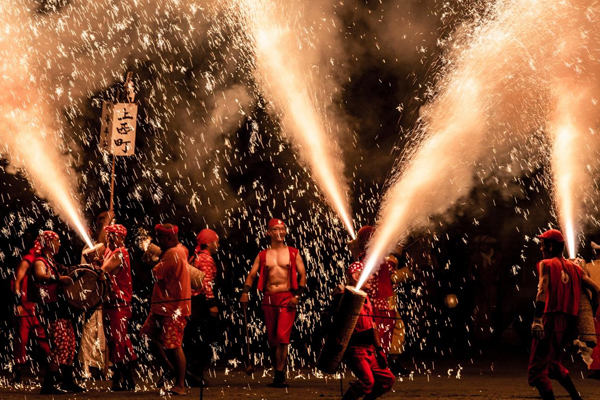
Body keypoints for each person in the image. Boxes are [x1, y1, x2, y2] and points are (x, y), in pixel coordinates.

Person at [528, 229, 600, 400]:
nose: (541, 248)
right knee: (553, 365)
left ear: (551, 246)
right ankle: (577, 398)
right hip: (568, 322)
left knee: (537, 372)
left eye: (543, 245)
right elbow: (596, 290)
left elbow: (542, 291)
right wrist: (590, 311)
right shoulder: (576, 269)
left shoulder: (546, 264)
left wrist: (537, 319)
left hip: (549, 319)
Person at [239, 217, 307, 388]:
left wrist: (297, 296)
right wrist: (245, 293)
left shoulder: (293, 252)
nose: (280, 232)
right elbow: (252, 275)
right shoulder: (263, 255)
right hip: (269, 298)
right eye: (276, 229)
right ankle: (277, 371)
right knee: (273, 339)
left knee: (283, 338)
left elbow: (303, 275)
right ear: (268, 233)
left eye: (282, 229)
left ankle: (279, 375)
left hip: (287, 297)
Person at [31, 231, 85, 394]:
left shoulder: (52, 261)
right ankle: (48, 385)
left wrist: (87, 268)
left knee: (69, 344)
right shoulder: (40, 261)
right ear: (48, 243)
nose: (60, 244)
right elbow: (40, 275)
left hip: (61, 307)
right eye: (57, 241)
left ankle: (67, 381)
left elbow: (68, 270)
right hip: (51, 309)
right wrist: (57, 279)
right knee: (58, 346)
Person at [140, 223, 191, 396]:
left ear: (169, 238)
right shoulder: (180, 249)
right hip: (162, 307)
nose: (158, 240)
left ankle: (180, 384)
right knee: (147, 336)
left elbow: (156, 273)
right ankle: (169, 369)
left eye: (160, 237)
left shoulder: (172, 253)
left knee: (174, 346)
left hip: (173, 308)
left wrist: (153, 258)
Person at [335, 261, 395, 400]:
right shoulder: (345, 296)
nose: (371, 278)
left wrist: (379, 349)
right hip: (355, 350)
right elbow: (330, 318)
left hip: (369, 350)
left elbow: (373, 326)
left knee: (387, 380)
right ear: (356, 276)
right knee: (367, 382)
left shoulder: (365, 297)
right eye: (368, 275)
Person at [101, 224, 137, 391]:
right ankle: (128, 377)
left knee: (117, 340)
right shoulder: (109, 252)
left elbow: (103, 271)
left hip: (119, 303)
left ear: (121, 238)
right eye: (108, 234)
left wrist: (96, 266)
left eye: (113, 235)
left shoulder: (120, 253)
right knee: (117, 339)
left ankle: (119, 376)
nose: (109, 238)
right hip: (110, 302)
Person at [184, 228, 220, 386]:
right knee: (201, 339)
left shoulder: (194, 256)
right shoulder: (205, 258)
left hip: (191, 302)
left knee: (192, 338)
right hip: (200, 302)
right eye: (216, 242)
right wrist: (212, 304)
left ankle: (190, 372)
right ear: (210, 243)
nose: (217, 245)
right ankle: (195, 375)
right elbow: (206, 283)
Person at [11, 246, 51, 384]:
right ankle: (17, 372)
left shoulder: (44, 261)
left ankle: (52, 372)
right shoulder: (27, 261)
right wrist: (18, 303)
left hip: (36, 306)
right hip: (25, 305)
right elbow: (17, 282)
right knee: (21, 340)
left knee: (45, 338)